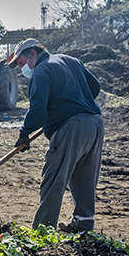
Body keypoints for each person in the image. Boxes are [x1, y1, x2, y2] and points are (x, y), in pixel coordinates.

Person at [7, 39, 104, 233]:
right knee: (84, 176)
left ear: (33, 53)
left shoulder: (41, 71)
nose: (23, 69)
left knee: (53, 178)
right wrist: (73, 103)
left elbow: (37, 110)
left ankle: (43, 231)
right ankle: (83, 225)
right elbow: (95, 86)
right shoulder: (70, 60)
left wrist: (24, 134)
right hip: (94, 124)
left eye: (22, 63)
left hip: (72, 128)